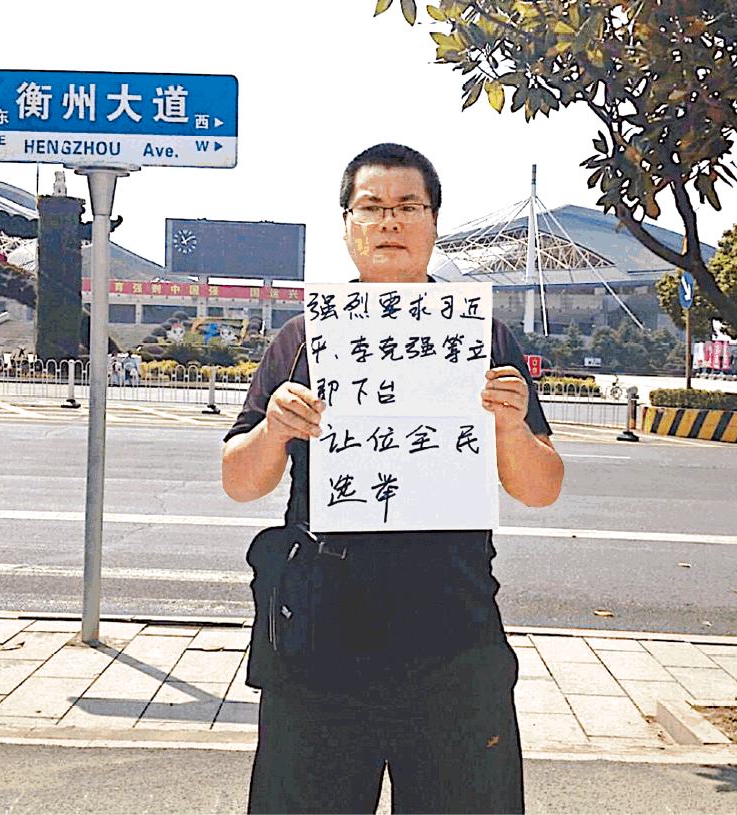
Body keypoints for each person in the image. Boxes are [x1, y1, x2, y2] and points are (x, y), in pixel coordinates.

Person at [222, 143, 564, 814]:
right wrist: (274, 429)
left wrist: (510, 427)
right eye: (371, 206)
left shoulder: (484, 338)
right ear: (346, 224)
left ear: (433, 222)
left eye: (408, 206)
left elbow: (542, 486)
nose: (389, 221)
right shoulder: (301, 338)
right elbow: (239, 480)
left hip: (452, 630)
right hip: (321, 632)